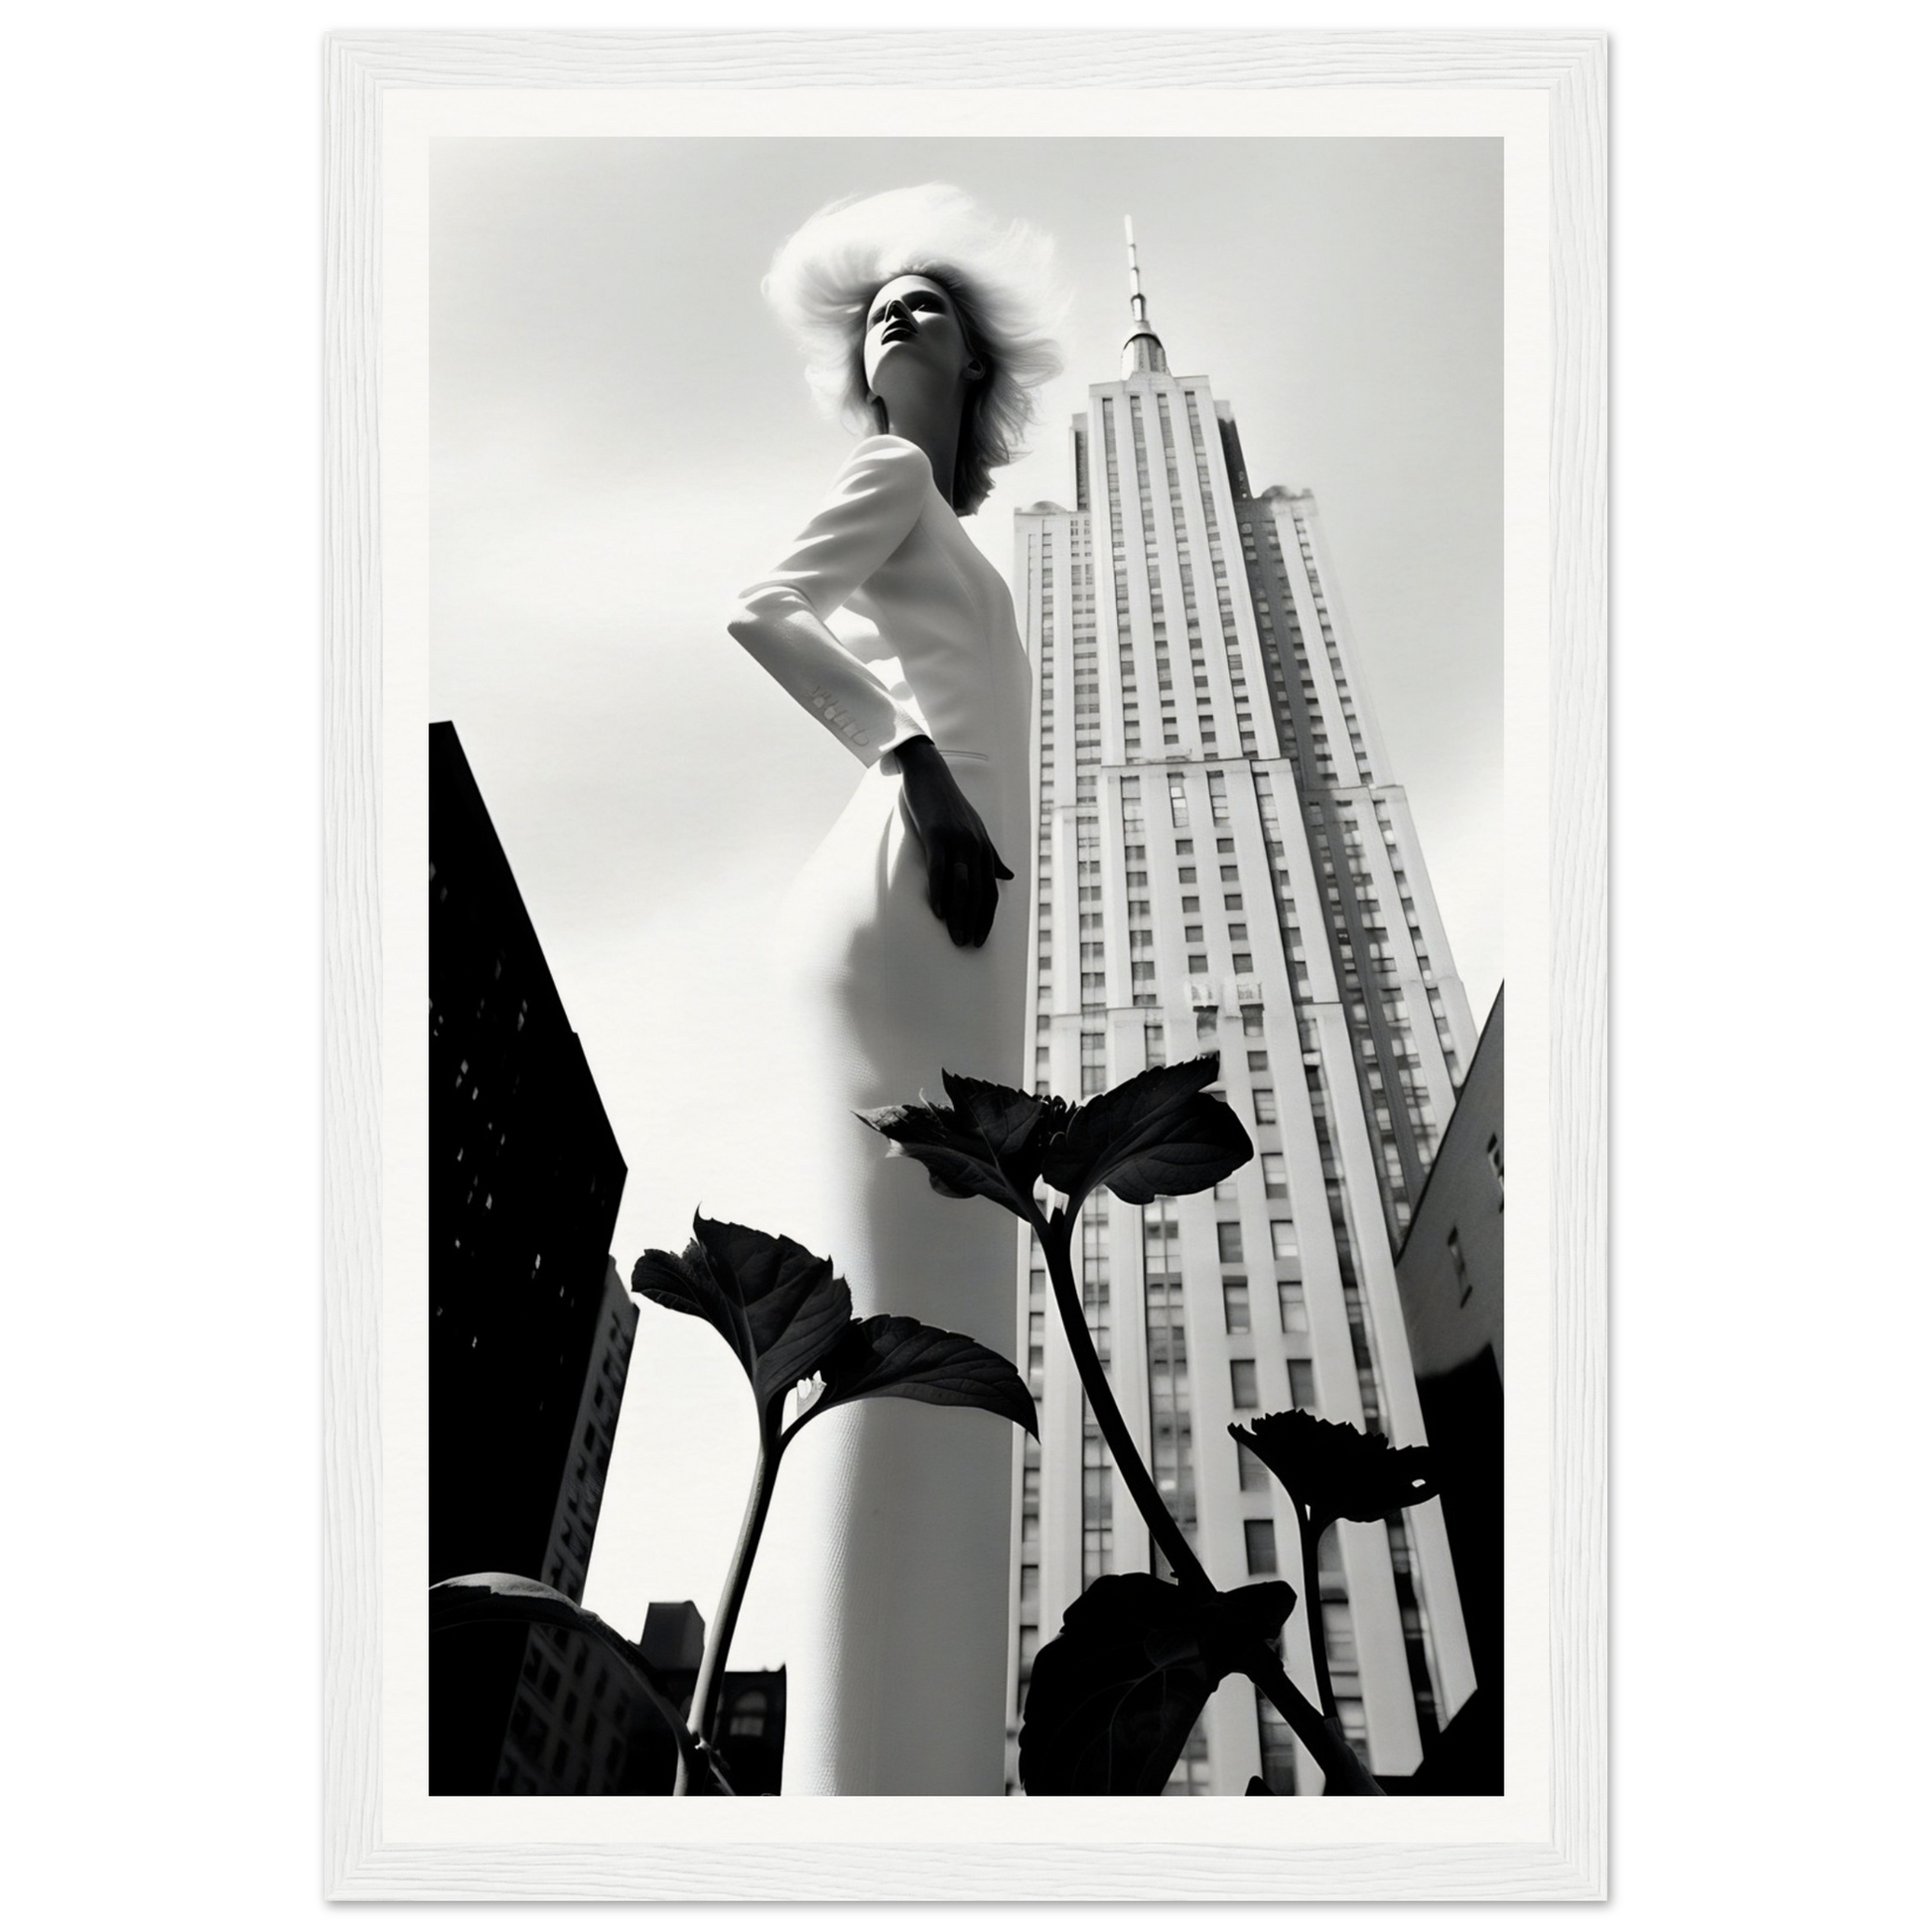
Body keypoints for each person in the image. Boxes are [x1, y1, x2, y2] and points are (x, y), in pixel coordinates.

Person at [726, 186, 1061, 1794]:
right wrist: (913, 768)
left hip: (963, 903)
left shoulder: (953, 527)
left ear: (974, 361)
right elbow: (761, 609)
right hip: (916, 880)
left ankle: (917, 1774)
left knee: (951, 1306)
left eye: (929, 303)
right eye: (878, 308)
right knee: (910, 1308)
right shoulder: (885, 477)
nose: (899, 315)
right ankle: (869, 1796)